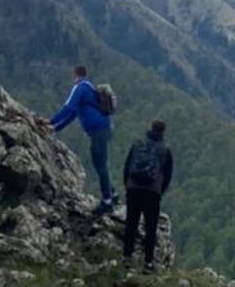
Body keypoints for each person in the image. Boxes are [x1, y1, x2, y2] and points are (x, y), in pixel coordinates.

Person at [49, 64, 115, 213]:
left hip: (98, 130)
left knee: (101, 163)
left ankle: (108, 201)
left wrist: (50, 121)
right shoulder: (88, 88)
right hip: (103, 128)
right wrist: (55, 128)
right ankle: (112, 193)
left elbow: (69, 108)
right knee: (99, 162)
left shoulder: (80, 88)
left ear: (76, 75)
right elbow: (73, 114)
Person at [122, 119, 173, 272]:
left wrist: (128, 185)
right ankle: (148, 263)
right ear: (163, 131)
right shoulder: (165, 150)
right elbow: (168, 175)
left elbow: (127, 166)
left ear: (150, 129)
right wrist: (159, 191)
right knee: (151, 228)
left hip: (133, 188)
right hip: (152, 192)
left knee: (131, 223)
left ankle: (126, 257)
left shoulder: (138, 144)